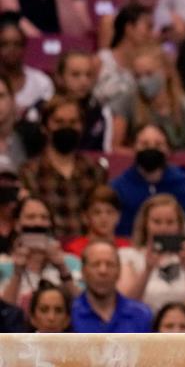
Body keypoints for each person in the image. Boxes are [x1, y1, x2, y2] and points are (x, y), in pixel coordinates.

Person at [19, 96, 107, 240]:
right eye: (59, 122)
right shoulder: (29, 172)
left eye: (73, 122)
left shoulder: (95, 170)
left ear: (82, 126)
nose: (67, 127)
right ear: (44, 126)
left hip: (87, 251)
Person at [109, 45, 185, 154]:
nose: (143, 81)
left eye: (149, 74)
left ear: (167, 71)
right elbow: (113, 148)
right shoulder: (127, 101)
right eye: (137, 76)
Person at [110, 124, 185, 237]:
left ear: (168, 149)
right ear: (134, 147)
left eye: (158, 144)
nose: (151, 149)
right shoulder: (118, 188)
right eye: (144, 144)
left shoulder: (183, 185)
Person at [116, 194, 185, 314]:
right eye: (157, 222)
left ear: (179, 225)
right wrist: (147, 270)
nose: (163, 228)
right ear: (145, 224)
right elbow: (125, 304)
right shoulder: (127, 256)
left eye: (170, 222)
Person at [0, 196, 80, 307]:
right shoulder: (2, 266)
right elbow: (4, 315)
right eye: (31, 217)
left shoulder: (72, 263)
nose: (38, 223)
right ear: (17, 224)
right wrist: (17, 274)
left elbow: (84, 309)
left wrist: (62, 268)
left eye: (44, 217)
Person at [71, 241, 152, 333]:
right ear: (83, 271)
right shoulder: (70, 314)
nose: (103, 271)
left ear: (119, 271)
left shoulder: (141, 314)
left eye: (110, 264)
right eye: (96, 264)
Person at [0, 14, 52, 114]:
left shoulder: (42, 82)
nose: (11, 50)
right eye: (4, 44)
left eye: (17, 44)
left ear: (24, 47)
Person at [63, 185, 130, 257]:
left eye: (110, 212)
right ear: (85, 217)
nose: (104, 218)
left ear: (118, 216)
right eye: (97, 212)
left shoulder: (126, 248)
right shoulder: (73, 249)